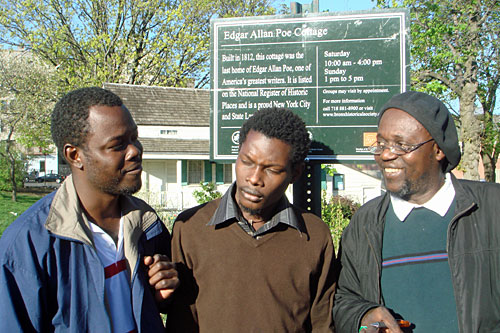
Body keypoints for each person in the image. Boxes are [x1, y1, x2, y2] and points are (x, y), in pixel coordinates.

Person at [0, 87, 179, 331]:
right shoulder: (28, 245)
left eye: (134, 138)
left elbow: (165, 305)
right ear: (74, 155)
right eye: (117, 146)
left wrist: (164, 294)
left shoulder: (147, 225)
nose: (135, 151)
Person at [333, 91, 500, 332]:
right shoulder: (364, 223)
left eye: (402, 145)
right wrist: (363, 315)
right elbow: (343, 299)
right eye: (381, 144)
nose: (386, 155)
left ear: (438, 149)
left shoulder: (491, 208)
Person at [165, 107, 336, 332]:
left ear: (295, 173)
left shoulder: (314, 236)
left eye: (272, 170)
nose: (254, 178)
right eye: (247, 161)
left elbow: (322, 324)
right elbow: (181, 321)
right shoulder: (190, 227)